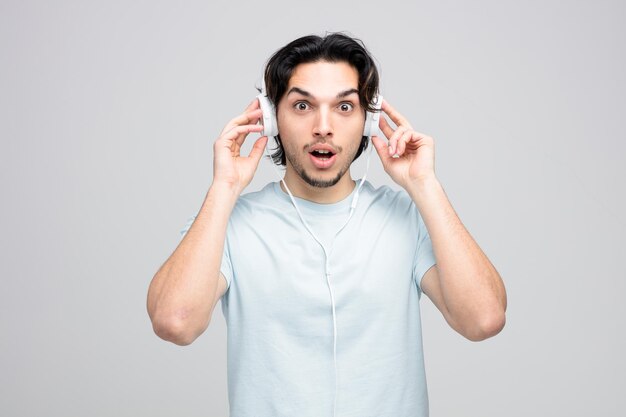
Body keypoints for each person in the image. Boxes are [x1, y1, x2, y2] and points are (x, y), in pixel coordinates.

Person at [147, 32, 507, 417]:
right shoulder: (228, 223)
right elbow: (175, 322)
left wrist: (426, 186)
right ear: (271, 120)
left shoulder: (408, 216)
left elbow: (483, 320)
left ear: (369, 121)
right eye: (302, 105)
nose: (323, 126)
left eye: (344, 108)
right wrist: (225, 187)